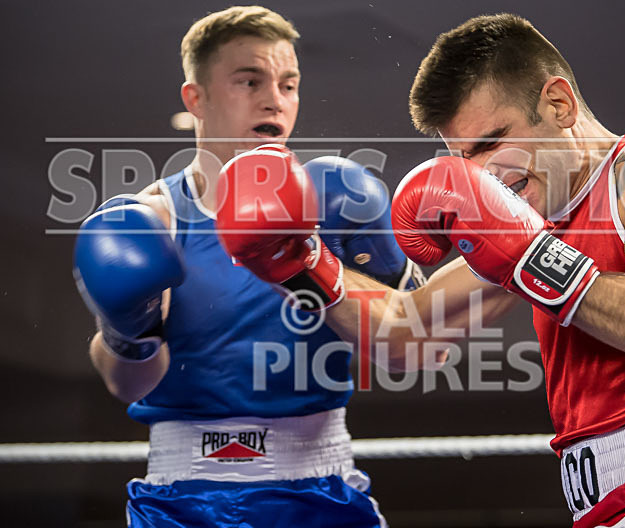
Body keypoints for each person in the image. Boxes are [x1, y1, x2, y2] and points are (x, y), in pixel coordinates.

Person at [216, 13, 625, 528]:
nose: (482, 174)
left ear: (558, 103)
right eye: (465, 158)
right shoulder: (528, 224)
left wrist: (528, 255)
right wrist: (303, 266)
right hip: (611, 501)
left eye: (492, 142)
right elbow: (409, 330)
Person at [73, 6, 425, 527]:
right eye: (249, 81)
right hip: (181, 499)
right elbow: (128, 385)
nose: (273, 100)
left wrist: (323, 262)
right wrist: (125, 329)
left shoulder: (336, 204)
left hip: (320, 491)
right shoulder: (153, 221)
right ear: (196, 98)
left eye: (288, 84)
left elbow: (412, 353)